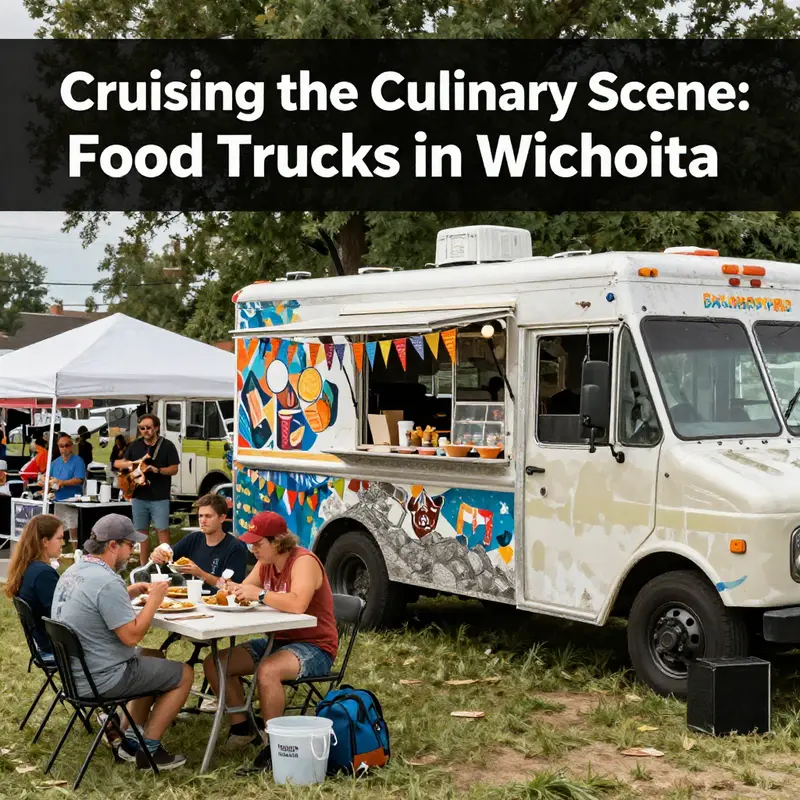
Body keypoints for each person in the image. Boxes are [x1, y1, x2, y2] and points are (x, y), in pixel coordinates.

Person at [52, 514, 192, 771]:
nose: (134, 550)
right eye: (130, 544)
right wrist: (155, 599)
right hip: (102, 679)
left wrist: (129, 591)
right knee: (184, 673)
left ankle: (130, 740)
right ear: (113, 545)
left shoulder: (75, 570)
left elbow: (93, 604)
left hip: (75, 676)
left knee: (154, 656)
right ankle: (149, 752)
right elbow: (132, 635)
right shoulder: (107, 581)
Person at [203, 511, 338, 774]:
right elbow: (245, 589)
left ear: (277, 542)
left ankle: (275, 746)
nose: (252, 548)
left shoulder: (303, 561)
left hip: (314, 646)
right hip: (278, 640)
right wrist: (230, 589)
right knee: (216, 662)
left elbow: (297, 603)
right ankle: (242, 728)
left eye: (258, 543)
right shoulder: (265, 561)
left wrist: (261, 594)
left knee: (268, 670)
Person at [114, 414, 180, 565]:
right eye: (142, 428)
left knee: (162, 531)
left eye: (148, 428)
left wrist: (157, 470)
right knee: (141, 533)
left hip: (160, 496)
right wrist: (134, 465)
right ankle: (144, 567)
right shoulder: (135, 445)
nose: (145, 431)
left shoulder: (167, 445)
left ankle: (166, 565)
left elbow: (174, 468)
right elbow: (118, 463)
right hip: (139, 496)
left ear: (156, 428)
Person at [151, 493, 247, 592]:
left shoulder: (235, 548)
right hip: (189, 598)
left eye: (208, 516)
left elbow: (232, 587)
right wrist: (159, 555)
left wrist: (200, 574)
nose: (203, 521)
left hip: (219, 603)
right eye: (200, 516)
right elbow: (169, 556)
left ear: (222, 518)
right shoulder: (194, 539)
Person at [5, 514, 64, 659]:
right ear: (45, 541)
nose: (63, 543)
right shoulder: (43, 574)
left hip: (42, 643)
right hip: (54, 648)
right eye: (60, 538)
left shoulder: (28, 567)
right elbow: (62, 616)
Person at [50, 431, 87, 546]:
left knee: (73, 528)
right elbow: (48, 478)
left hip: (72, 501)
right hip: (58, 500)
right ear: (58, 447)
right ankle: (60, 554)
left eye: (67, 445)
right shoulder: (55, 463)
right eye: (61, 446)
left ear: (71, 446)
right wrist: (46, 484)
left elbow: (79, 479)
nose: (64, 448)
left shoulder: (78, 461)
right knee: (58, 529)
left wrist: (62, 482)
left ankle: (76, 552)